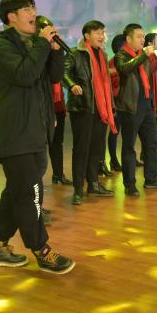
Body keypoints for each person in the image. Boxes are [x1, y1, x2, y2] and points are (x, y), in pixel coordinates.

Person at [0, 0, 74, 274]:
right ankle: (41, 250)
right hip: (14, 132)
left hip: (36, 131)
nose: (33, 13)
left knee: (18, 189)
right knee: (31, 192)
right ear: (11, 17)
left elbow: (53, 77)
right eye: (26, 9)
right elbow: (24, 74)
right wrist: (43, 45)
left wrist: (54, 50)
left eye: (33, 7)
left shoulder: (36, 44)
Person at [63, 20, 116, 205]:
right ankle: (78, 189)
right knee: (81, 149)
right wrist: (72, 85)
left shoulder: (103, 54)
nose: (102, 36)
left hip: (101, 109)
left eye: (103, 32)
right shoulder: (75, 53)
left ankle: (93, 183)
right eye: (98, 33)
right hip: (83, 108)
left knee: (97, 148)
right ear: (87, 35)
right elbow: (63, 72)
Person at [114, 23, 157, 195]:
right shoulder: (121, 55)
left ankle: (152, 178)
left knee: (151, 143)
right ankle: (130, 185)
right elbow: (125, 69)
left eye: (143, 36)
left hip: (146, 104)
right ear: (128, 38)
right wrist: (144, 55)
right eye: (139, 36)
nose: (142, 39)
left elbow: (149, 74)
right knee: (129, 146)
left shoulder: (142, 54)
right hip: (130, 106)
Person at [106, 34, 126, 173]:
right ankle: (113, 160)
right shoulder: (114, 62)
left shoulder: (124, 60)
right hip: (117, 100)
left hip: (124, 100)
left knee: (126, 132)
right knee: (114, 131)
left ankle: (124, 160)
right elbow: (112, 83)